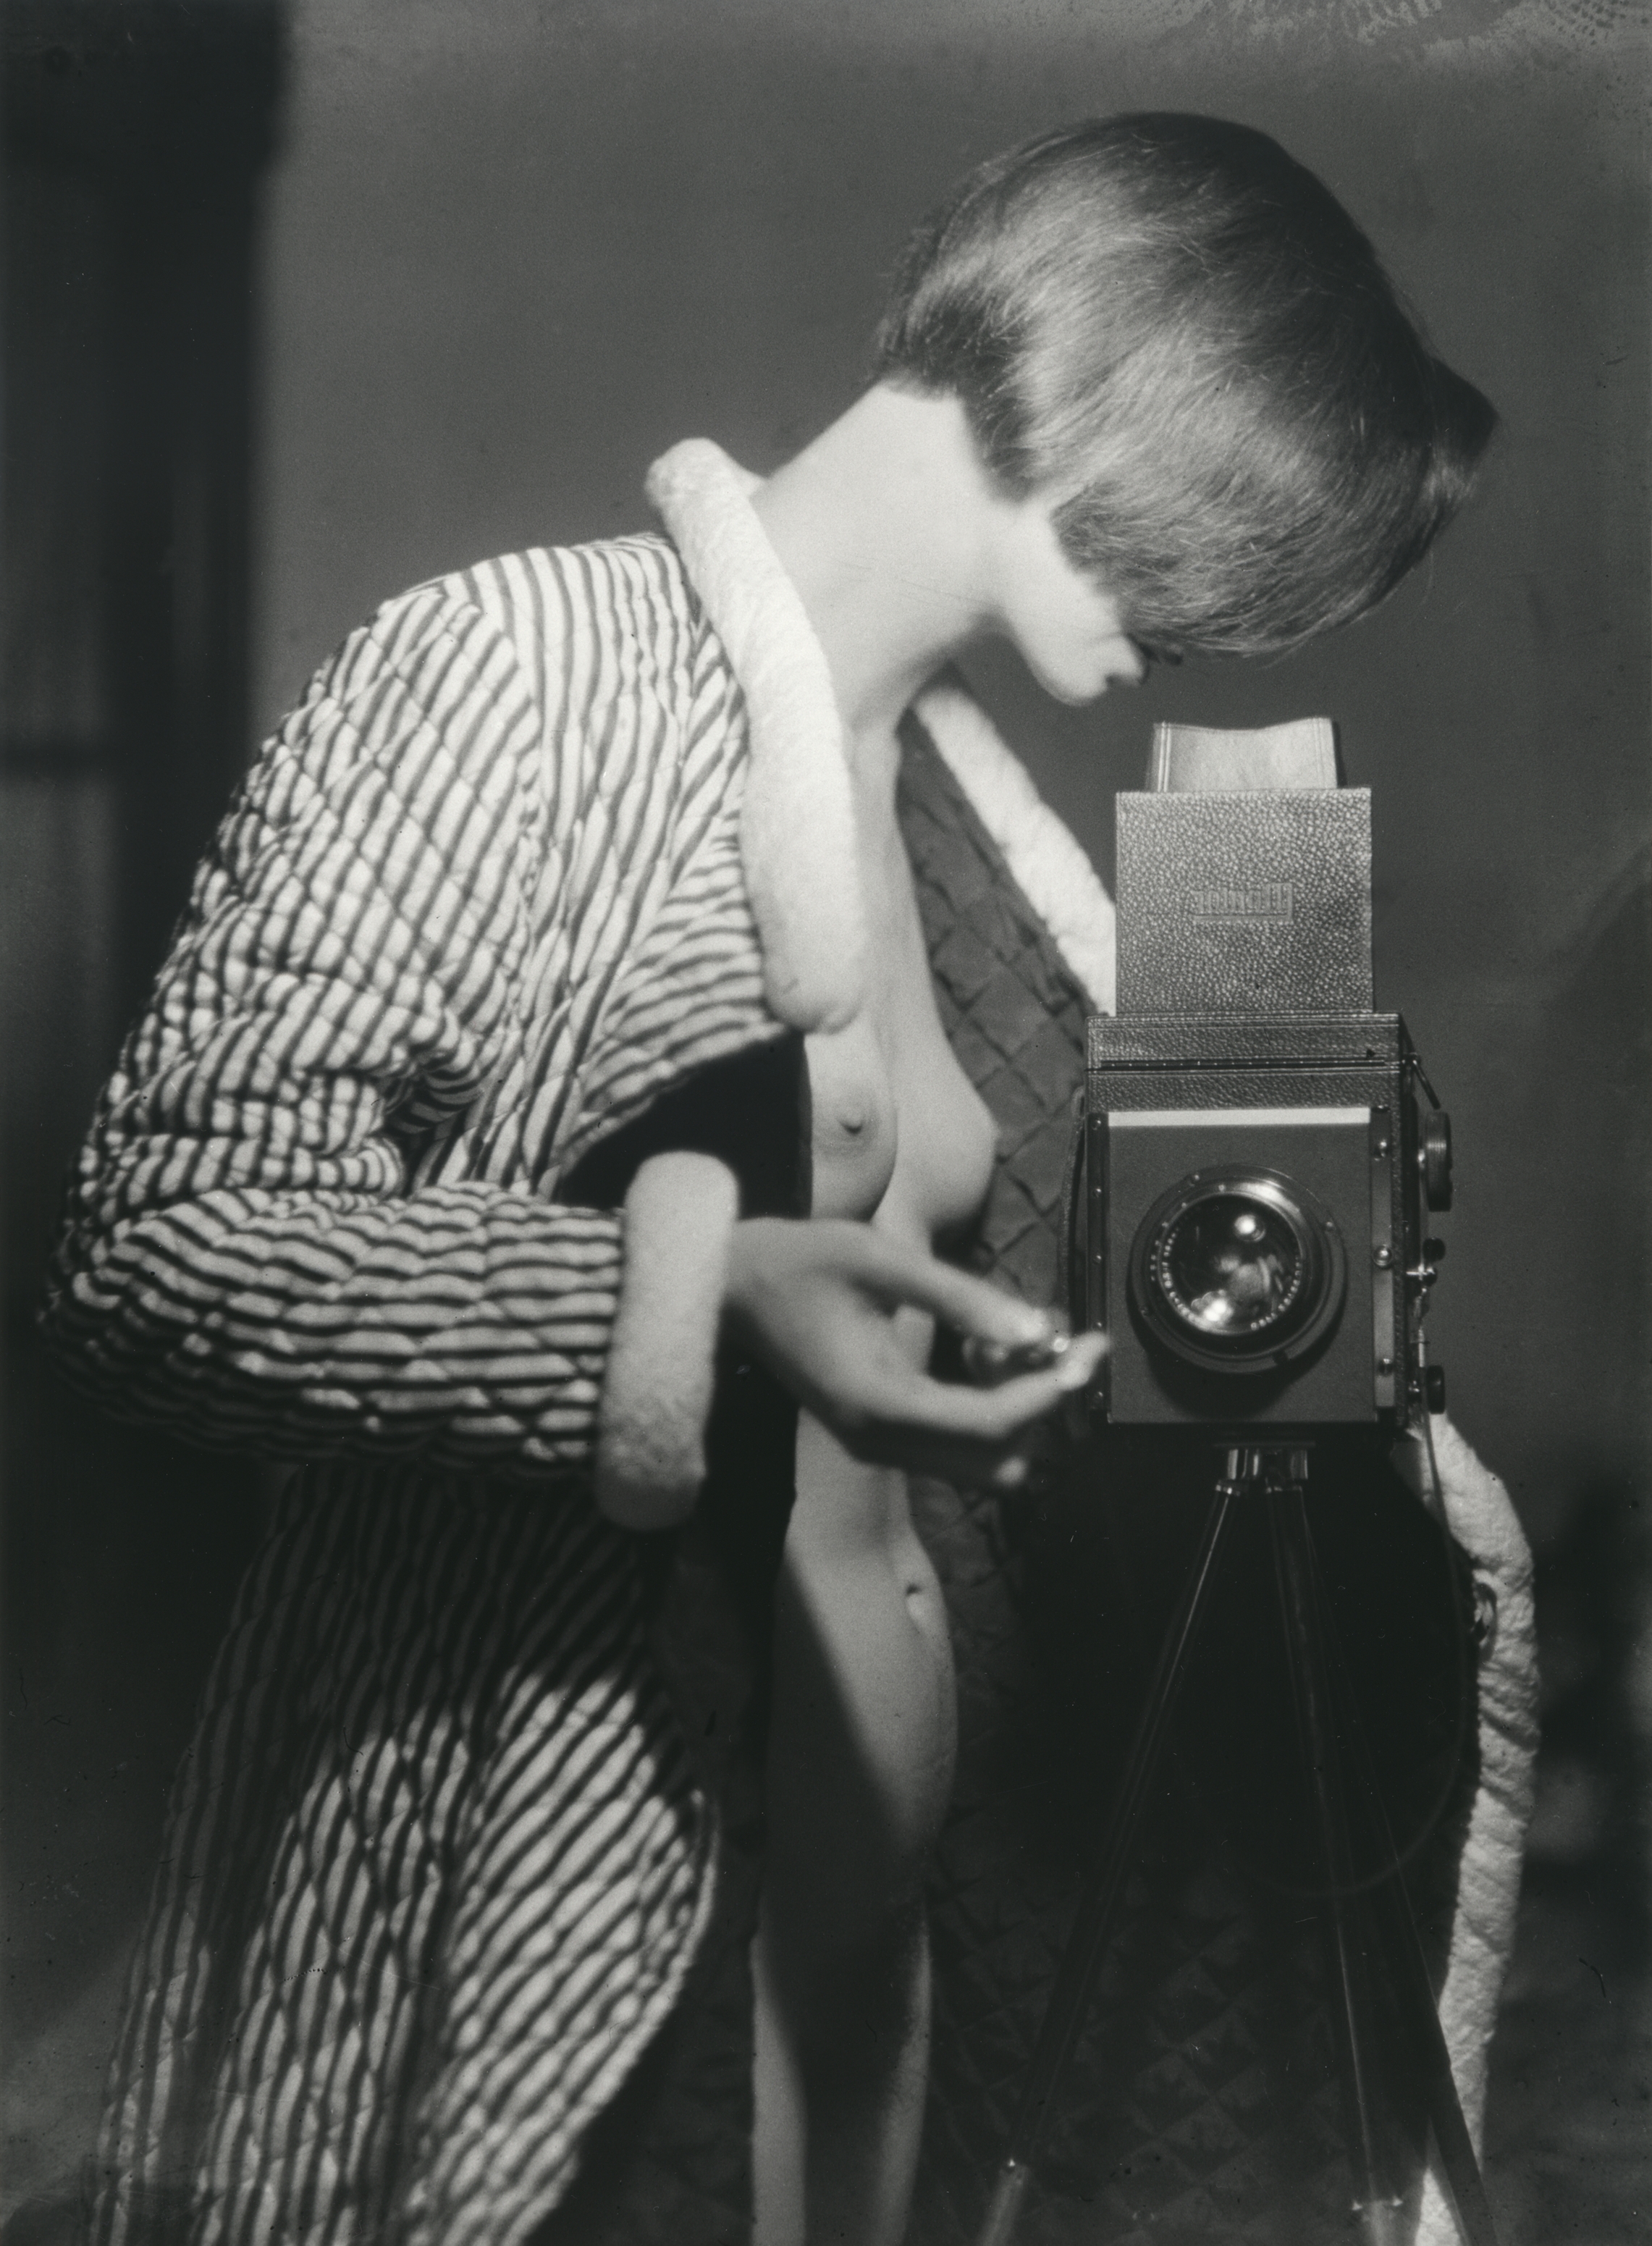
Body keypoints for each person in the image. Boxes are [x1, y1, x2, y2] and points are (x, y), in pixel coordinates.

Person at [43, 114, 1533, 2246]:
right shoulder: (518, 667)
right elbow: (160, 1251)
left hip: (913, 1943)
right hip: (585, 1906)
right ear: (1144, 401)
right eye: (1264, 541)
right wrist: (694, 1309)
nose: (1249, 635)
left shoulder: (956, 821)